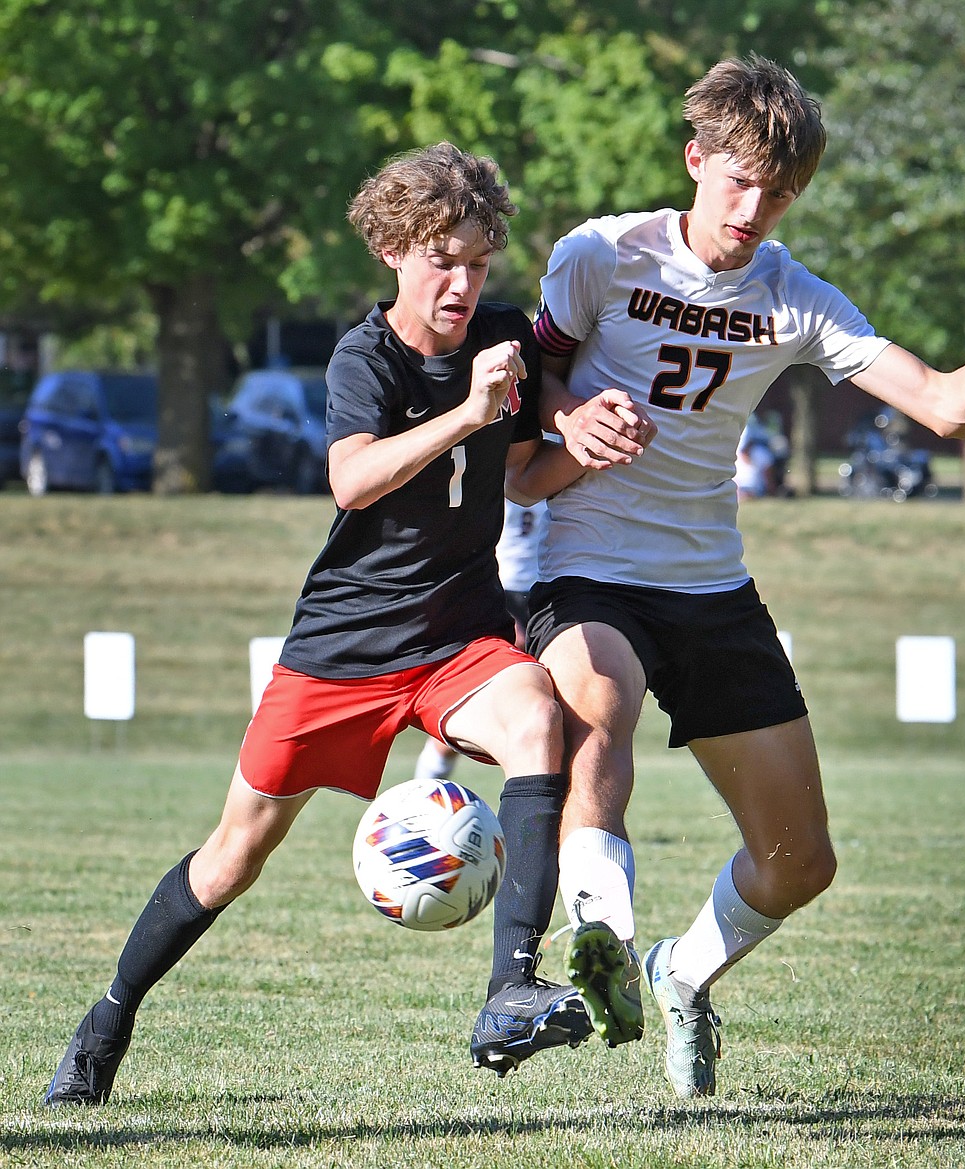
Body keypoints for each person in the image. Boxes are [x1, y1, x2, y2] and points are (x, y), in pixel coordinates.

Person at [481, 54, 965, 1098]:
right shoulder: (600, 254)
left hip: (710, 585)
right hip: (586, 565)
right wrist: (569, 416)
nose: (752, 210)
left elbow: (941, 404)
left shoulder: (794, 297)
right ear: (694, 159)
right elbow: (536, 371)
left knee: (799, 862)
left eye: (778, 193)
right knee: (598, 704)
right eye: (738, 181)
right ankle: (599, 929)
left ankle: (677, 969)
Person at [44, 141, 601, 1106]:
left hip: (457, 637)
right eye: (442, 260)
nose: (462, 282)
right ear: (393, 250)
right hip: (340, 652)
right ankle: (107, 1020)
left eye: (477, 261)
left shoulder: (507, 336)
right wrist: (470, 413)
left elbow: (523, 470)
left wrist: (586, 443)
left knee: (538, 719)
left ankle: (510, 987)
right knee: (232, 858)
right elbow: (351, 477)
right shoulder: (363, 357)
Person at [414, 497, 549, 782]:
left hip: (547, 590)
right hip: (500, 589)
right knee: (486, 695)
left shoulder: (560, 465)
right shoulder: (499, 471)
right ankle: (426, 788)